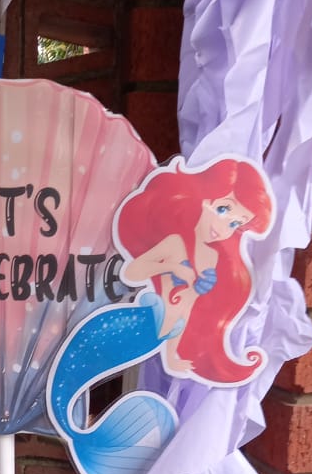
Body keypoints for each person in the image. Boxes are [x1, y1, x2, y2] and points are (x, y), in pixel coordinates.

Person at [115, 157, 273, 384]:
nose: (224, 228)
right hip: (137, 328)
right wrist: (171, 267)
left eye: (235, 224)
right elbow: (131, 272)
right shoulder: (175, 243)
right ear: (205, 197)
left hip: (158, 341)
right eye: (222, 209)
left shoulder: (212, 258)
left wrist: (171, 355)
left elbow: (184, 309)